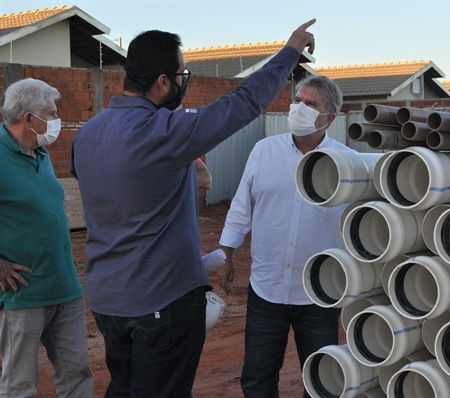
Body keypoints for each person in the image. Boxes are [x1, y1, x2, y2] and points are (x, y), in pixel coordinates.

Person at [70, 20, 317, 397]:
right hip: (162, 302)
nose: (184, 83)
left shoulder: (87, 134)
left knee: (124, 387)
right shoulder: (164, 131)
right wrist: (290, 51)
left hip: (109, 302)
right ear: (162, 83)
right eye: (181, 74)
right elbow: (244, 102)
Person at [218, 75, 355, 398]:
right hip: (267, 289)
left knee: (321, 381)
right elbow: (242, 205)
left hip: (319, 293)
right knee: (257, 379)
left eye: (310, 104)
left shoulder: (346, 163)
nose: (299, 108)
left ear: (329, 118)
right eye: (297, 100)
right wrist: (228, 252)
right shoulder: (263, 151)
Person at [0, 78, 93, 397]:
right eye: (51, 113)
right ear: (29, 118)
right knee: (19, 384)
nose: (57, 121)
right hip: (23, 294)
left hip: (64, 287)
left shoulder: (38, 152)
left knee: (77, 374)